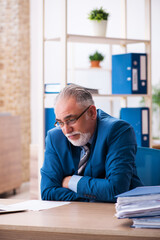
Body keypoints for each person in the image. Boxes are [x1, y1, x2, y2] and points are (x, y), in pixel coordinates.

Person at [41, 84, 142, 202]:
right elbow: (47, 192)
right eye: (60, 122)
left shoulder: (118, 131)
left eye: (71, 120)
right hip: (75, 214)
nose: (66, 130)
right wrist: (99, 192)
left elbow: (115, 190)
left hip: (119, 213)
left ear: (92, 112)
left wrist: (71, 182)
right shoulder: (54, 138)